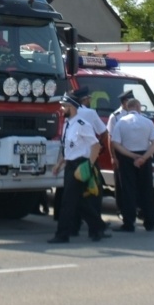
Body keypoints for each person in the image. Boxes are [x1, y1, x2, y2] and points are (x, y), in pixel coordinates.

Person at [51, 92, 106, 243]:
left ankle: (62, 235)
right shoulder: (68, 125)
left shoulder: (82, 125)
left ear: (71, 107)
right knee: (80, 202)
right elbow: (68, 149)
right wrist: (59, 164)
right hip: (70, 165)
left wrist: (88, 165)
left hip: (80, 166)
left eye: (64, 106)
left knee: (68, 202)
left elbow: (95, 146)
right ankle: (98, 227)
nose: (62, 109)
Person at [107, 93, 154, 232]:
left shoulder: (121, 122)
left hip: (126, 157)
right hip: (145, 156)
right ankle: (150, 222)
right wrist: (144, 157)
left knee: (128, 191)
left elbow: (115, 143)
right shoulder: (148, 122)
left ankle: (129, 223)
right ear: (138, 107)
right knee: (146, 190)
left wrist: (131, 155)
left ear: (128, 107)